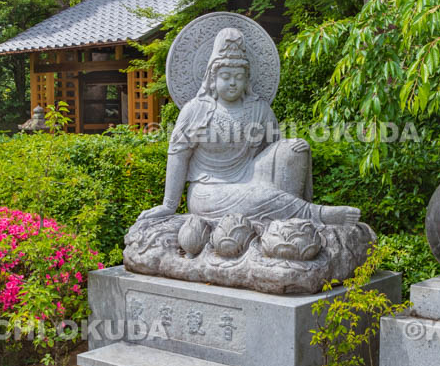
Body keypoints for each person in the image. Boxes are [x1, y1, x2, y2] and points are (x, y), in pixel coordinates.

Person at [137, 27, 360, 226]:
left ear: (247, 80)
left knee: (295, 148)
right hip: (210, 189)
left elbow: (275, 154)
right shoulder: (195, 110)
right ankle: (311, 215)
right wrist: (169, 205)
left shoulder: (259, 109)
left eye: (239, 76)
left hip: (252, 176)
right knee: (260, 195)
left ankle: (287, 223)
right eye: (225, 76)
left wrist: (287, 152)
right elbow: (178, 156)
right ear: (212, 78)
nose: (233, 82)